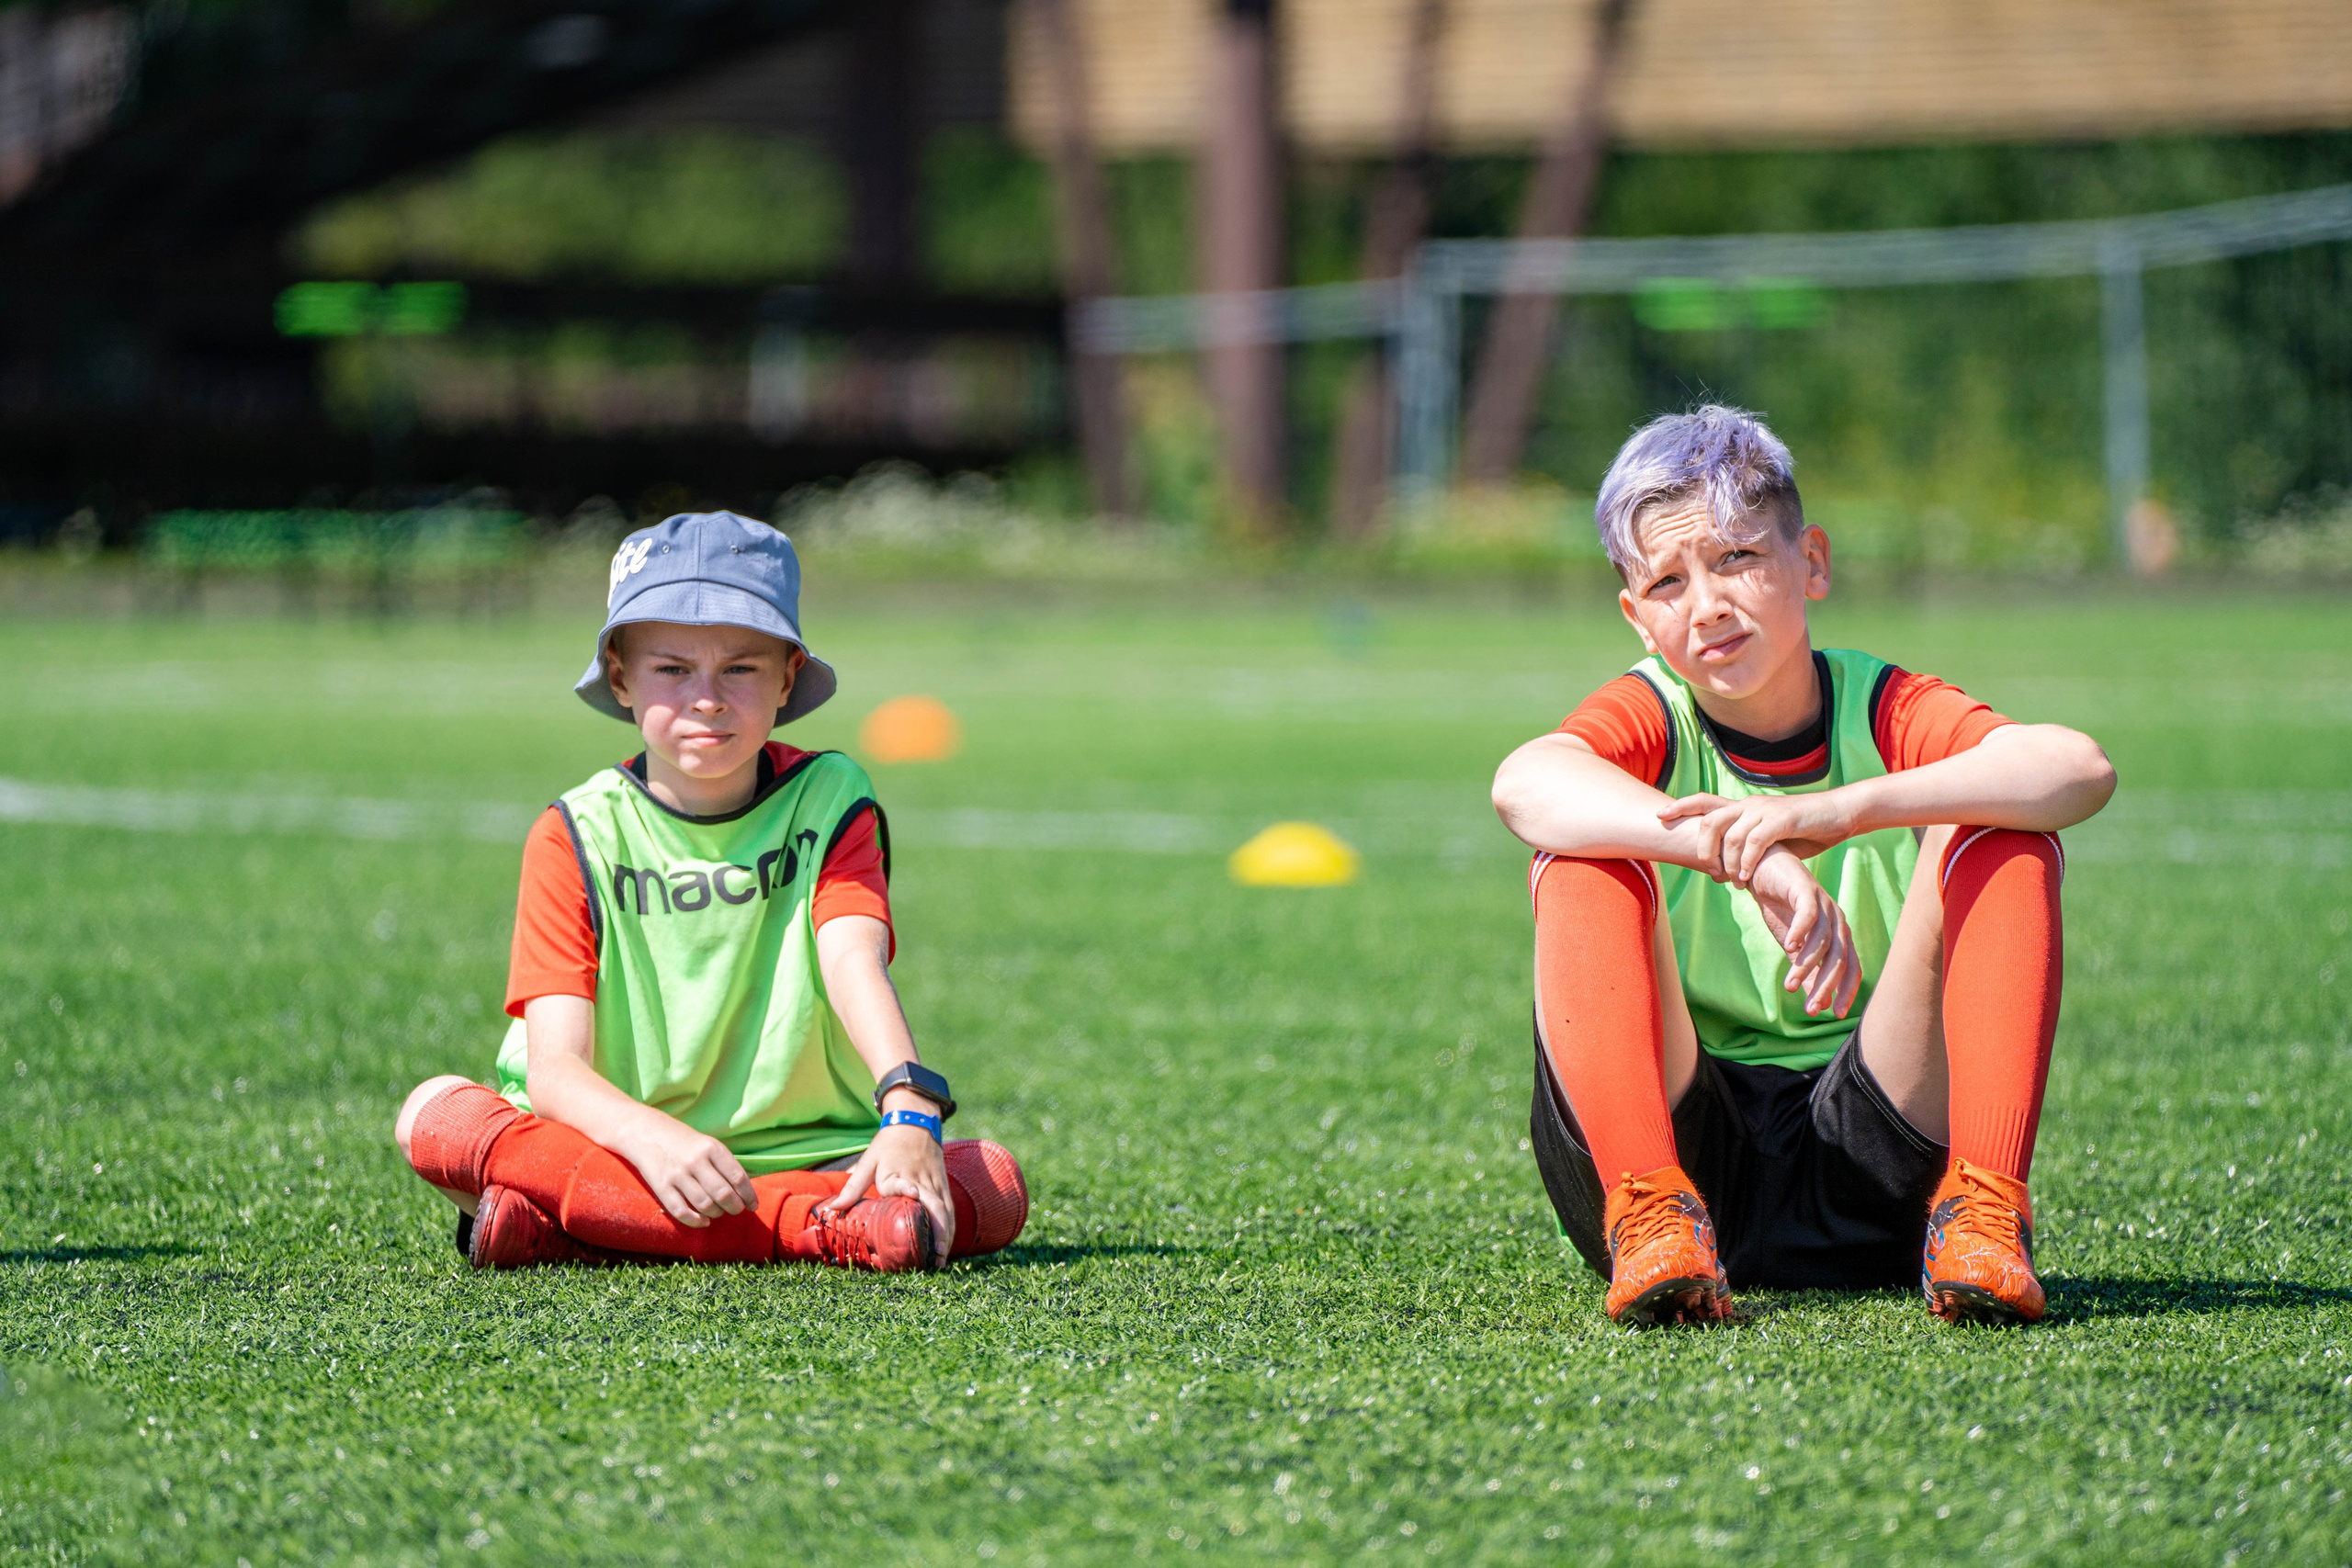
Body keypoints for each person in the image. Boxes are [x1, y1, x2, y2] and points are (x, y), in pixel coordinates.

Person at [1490, 407, 2115, 1326]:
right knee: (1581, 849)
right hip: (1680, 1146)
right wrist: (1744, 854)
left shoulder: (1881, 705)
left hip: (1877, 1151)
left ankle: (1984, 1211)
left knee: (2000, 826)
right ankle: (1648, 1210)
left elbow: (2077, 769)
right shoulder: (1652, 713)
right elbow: (1524, 783)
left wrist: (1833, 812)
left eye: (1737, 558)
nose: (1707, 604)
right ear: (1637, 616)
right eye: (1667, 581)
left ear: (1811, 560)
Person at [393, 511, 1027, 1272]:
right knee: (431, 1114)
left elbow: (853, 958)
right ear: (621, 677)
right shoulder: (574, 832)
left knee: (994, 1182)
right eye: (672, 669)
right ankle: (810, 1228)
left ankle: (586, 1226)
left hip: (810, 1148)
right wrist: (649, 1135)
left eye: (740, 668)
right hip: (618, 1143)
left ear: (787, 675)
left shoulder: (829, 796)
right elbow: (556, 1072)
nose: (707, 698)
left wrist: (908, 1103)